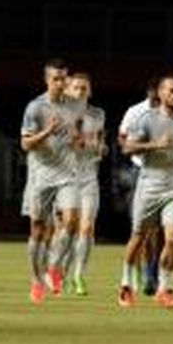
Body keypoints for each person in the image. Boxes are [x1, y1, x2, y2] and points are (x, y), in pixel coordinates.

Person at [117, 75, 173, 309]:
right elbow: (127, 147)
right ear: (160, 93)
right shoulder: (147, 119)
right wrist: (154, 145)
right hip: (149, 186)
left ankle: (165, 288)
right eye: (172, 90)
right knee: (139, 237)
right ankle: (125, 284)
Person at [20, 59, 81, 304]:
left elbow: (74, 133)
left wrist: (77, 140)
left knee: (72, 222)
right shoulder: (35, 108)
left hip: (67, 174)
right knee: (38, 229)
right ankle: (36, 281)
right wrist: (47, 131)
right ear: (47, 80)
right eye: (56, 79)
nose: (60, 83)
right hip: (41, 176)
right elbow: (25, 144)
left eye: (64, 78)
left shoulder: (75, 106)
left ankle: (53, 268)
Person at [117, 77, 161, 296]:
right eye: (154, 96)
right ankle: (140, 272)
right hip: (139, 172)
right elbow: (123, 140)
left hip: (163, 175)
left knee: (156, 231)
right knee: (140, 228)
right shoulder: (135, 112)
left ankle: (150, 271)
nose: (157, 99)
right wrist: (143, 146)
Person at [63, 72, 106, 296]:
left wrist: (100, 147)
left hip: (89, 177)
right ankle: (59, 268)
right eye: (76, 87)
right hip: (64, 178)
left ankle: (78, 275)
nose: (80, 91)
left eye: (84, 87)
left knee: (87, 227)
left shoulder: (97, 114)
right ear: (67, 90)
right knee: (66, 228)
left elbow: (100, 143)